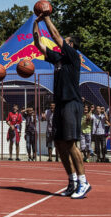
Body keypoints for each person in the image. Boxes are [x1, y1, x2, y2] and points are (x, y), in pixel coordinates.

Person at [32, 15, 90, 198]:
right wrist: (36, 23)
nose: (61, 42)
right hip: (60, 105)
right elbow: (38, 44)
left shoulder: (73, 57)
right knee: (59, 143)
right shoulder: (57, 58)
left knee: (71, 144)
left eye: (65, 41)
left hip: (72, 103)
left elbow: (55, 34)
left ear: (71, 45)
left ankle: (83, 181)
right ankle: (72, 182)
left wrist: (46, 17)